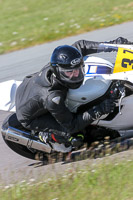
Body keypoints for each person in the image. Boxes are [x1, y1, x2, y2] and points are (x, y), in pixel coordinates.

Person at [15, 37, 133, 152]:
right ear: (58, 72)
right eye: (70, 73)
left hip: (30, 85)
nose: (76, 75)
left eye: (78, 69)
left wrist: (113, 45)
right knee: (73, 136)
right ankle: (47, 136)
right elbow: (72, 125)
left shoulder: (62, 64)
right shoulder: (53, 97)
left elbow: (80, 45)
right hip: (31, 117)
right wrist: (100, 109)